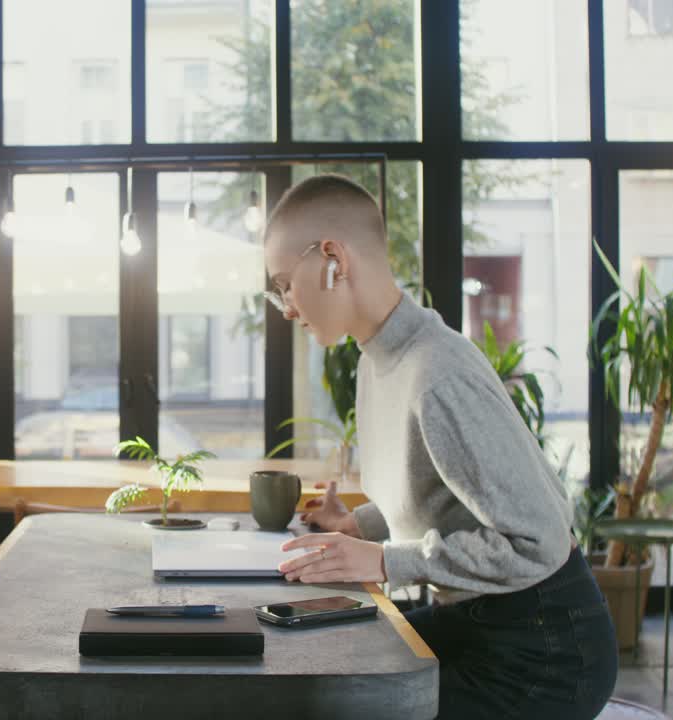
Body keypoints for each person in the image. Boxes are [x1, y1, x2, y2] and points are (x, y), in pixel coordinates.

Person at [264, 175, 616, 719]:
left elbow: (537, 541)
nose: (285, 306)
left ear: (333, 258)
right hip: (479, 622)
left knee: (358, 703)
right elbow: (443, 491)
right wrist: (363, 525)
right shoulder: (375, 360)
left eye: (285, 283)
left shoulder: (437, 372)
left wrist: (383, 559)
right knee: (331, 667)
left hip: (547, 650)